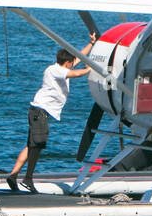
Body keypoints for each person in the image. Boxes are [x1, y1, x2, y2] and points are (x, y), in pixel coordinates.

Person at [7, 33, 97, 193]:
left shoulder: (61, 67)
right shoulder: (55, 70)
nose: (73, 64)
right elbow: (76, 73)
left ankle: (13, 175)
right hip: (40, 111)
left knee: (31, 145)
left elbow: (79, 57)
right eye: (71, 63)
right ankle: (28, 179)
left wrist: (91, 44)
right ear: (66, 63)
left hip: (38, 111)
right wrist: (91, 68)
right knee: (38, 144)